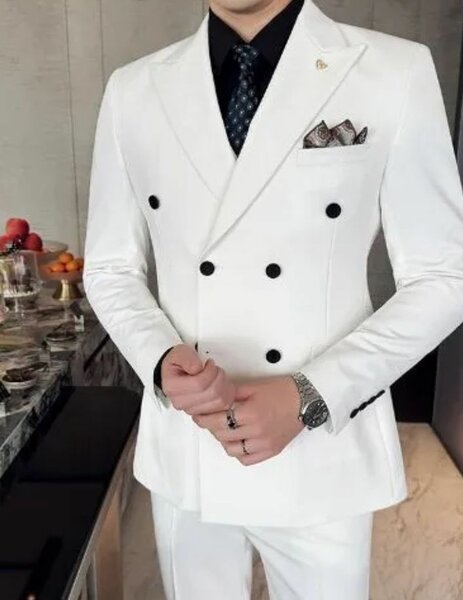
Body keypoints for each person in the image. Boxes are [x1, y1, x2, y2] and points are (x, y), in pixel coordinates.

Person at [82, 0, 463, 598]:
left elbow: (445, 276)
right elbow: (109, 268)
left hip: (321, 450)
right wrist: (159, 360)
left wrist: (311, 396)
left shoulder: (392, 71)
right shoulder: (133, 90)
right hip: (192, 444)